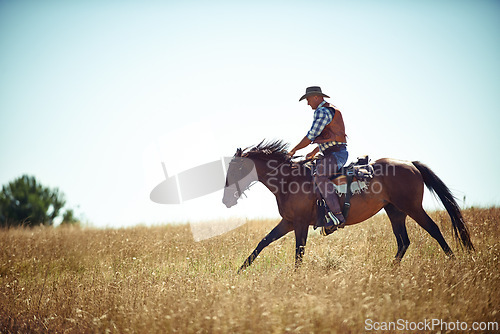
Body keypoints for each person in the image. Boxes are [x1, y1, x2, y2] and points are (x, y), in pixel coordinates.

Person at [288, 86, 348, 235]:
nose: (308, 103)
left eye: (308, 99)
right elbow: (329, 136)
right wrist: (315, 151)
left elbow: (311, 136)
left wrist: (293, 150)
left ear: (316, 97)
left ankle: (337, 216)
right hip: (331, 153)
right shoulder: (329, 110)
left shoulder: (322, 112)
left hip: (336, 155)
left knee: (320, 176)